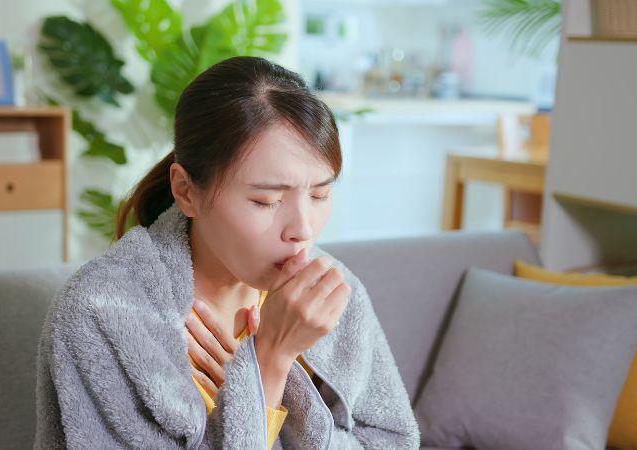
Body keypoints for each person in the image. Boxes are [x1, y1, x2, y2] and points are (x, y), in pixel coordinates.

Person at [34, 55, 420, 449]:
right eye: (266, 201)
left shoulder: (330, 292)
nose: (303, 229)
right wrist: (269, 360)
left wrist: (274, 394)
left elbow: (393, 440)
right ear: (186, 191)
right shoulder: (104, 311)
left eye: (319, 194)